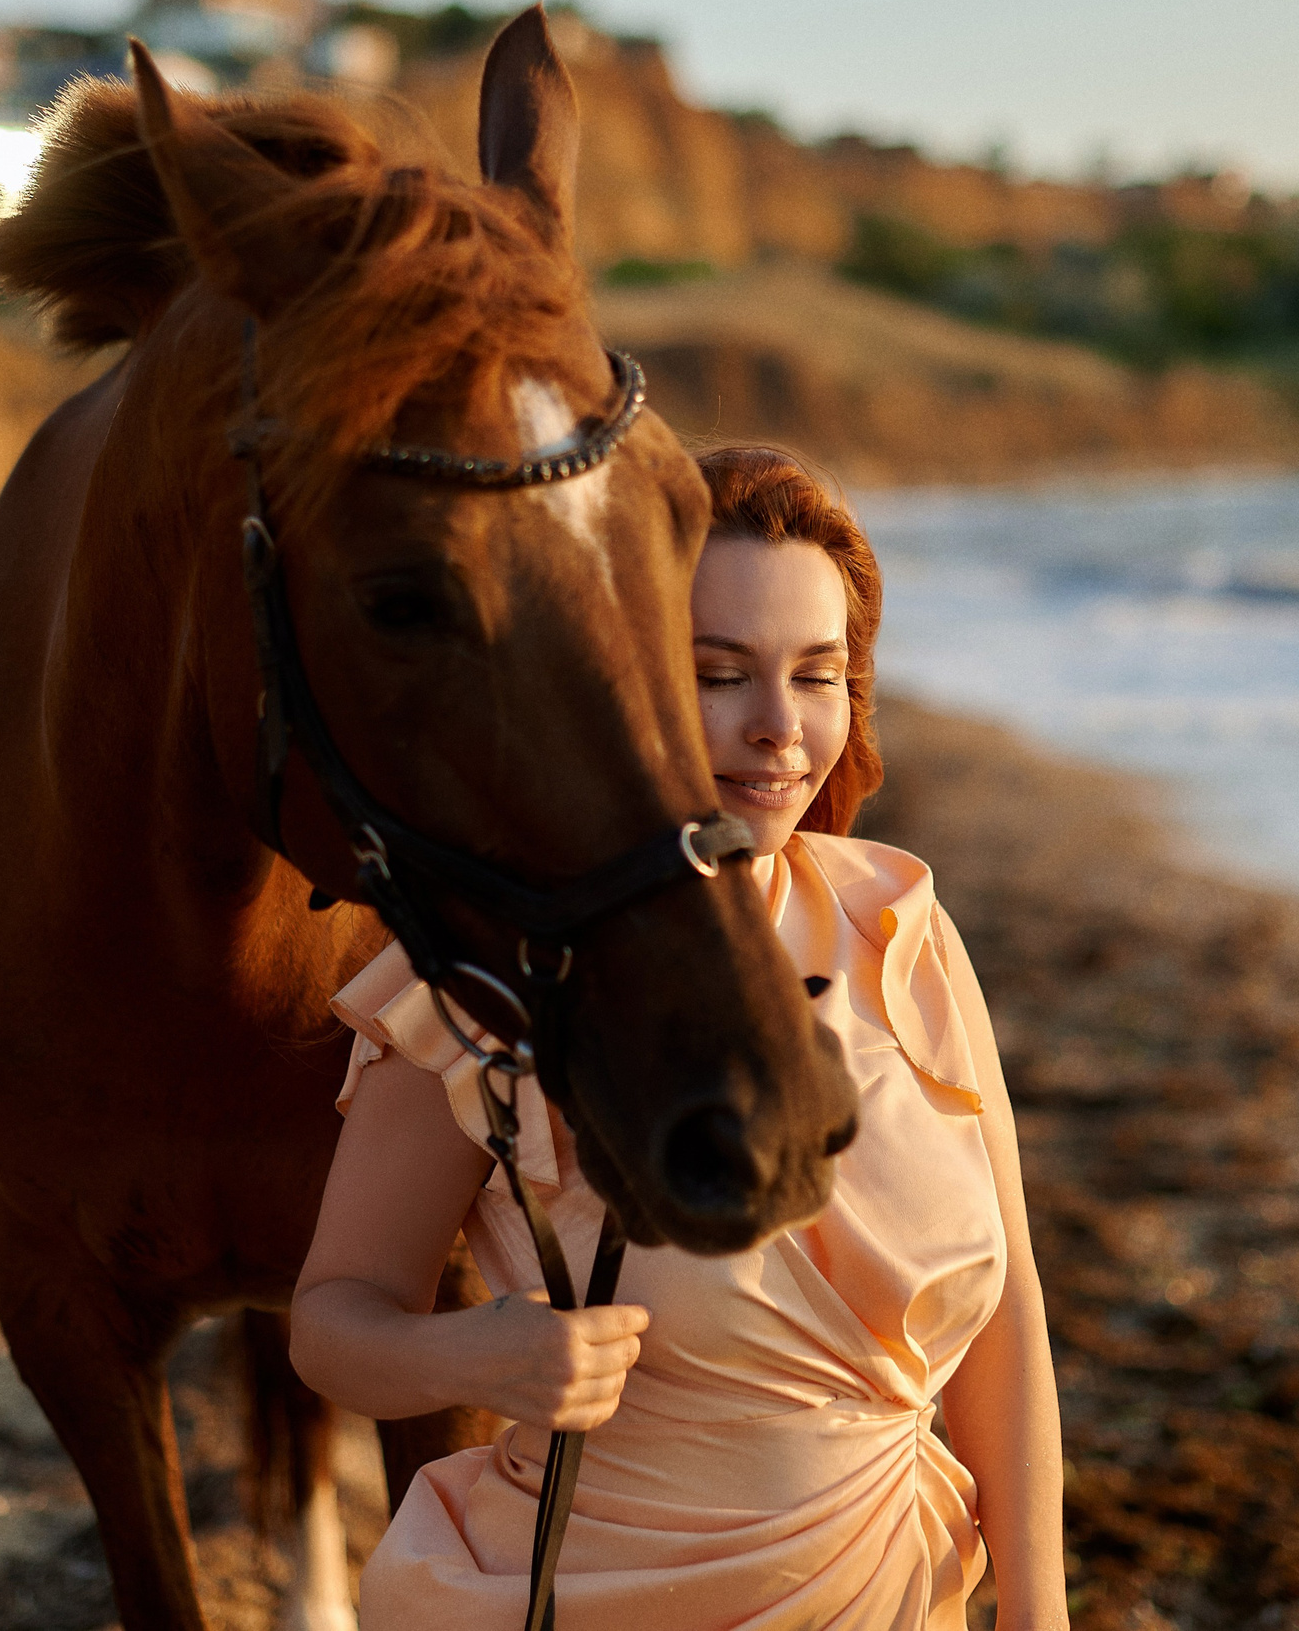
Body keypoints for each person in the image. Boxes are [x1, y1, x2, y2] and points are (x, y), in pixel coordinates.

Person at [290, 446, 1069, 1630]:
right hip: (596, 1593)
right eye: (718, 674)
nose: (778, 728)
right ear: (618, 683)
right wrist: (474, 1358)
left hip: (895, 1590)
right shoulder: (489, 975)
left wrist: (1038, 1607)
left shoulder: (900, 930)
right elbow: (333, 1317)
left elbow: (1007, 1307)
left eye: (816, 674)